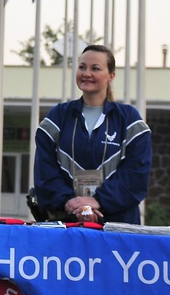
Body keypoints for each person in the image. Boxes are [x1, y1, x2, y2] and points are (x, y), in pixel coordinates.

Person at [33, 45, 152, 225]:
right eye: (82, 67)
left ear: (111, 76)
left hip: (117, 228)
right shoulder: (58, 117)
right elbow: (44, 171)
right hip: (65, 224)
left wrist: (97, 201)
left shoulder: (128, 119)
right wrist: (71, 203)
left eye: (95, 68)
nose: (87, 73)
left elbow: (136, 174)